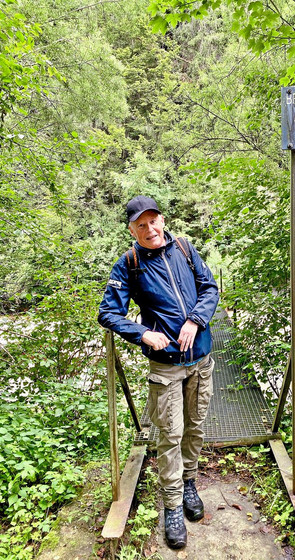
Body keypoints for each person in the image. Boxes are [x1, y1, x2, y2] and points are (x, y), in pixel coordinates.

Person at [98, 195, 219, 549]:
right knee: (169, 435)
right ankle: (172, 507)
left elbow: (210, 288)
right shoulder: (129, 264)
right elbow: (108, 313)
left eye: (153, 221)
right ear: (132, 229)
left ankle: (190, 484)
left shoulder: (184, 248)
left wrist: (196, 320)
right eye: (141, 224)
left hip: (201, 358)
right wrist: (143, 334)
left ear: (162, 220)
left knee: (195, 427)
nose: (149, 229)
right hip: (165, 366)